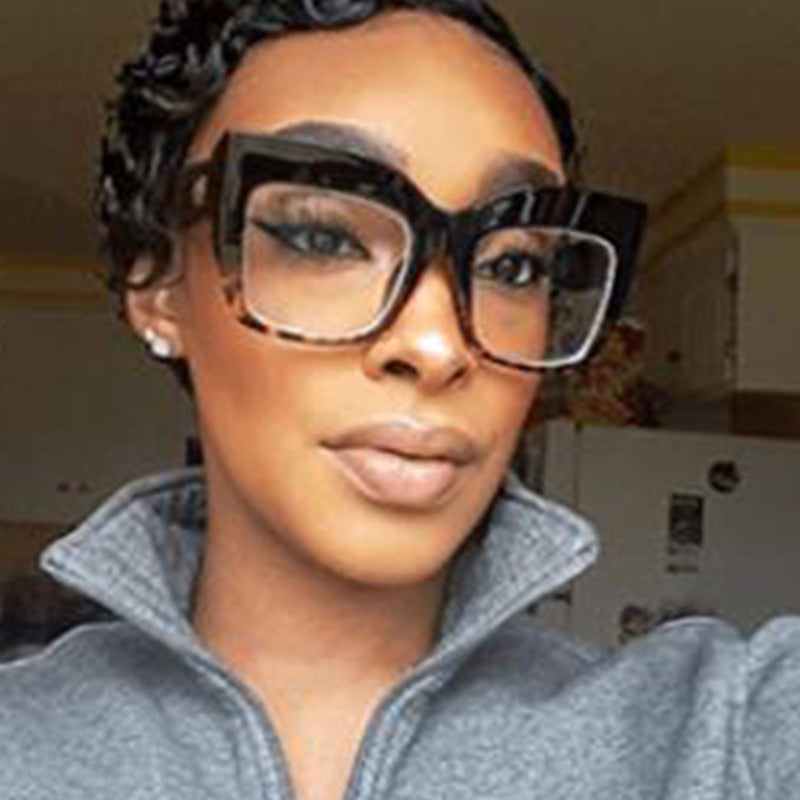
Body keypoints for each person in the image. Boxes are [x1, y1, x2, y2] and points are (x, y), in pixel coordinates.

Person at [1, 1, 798, 798]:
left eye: (512, 264)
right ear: (158, 283)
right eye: (323, 235)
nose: (438, 345)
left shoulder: (714, 738)